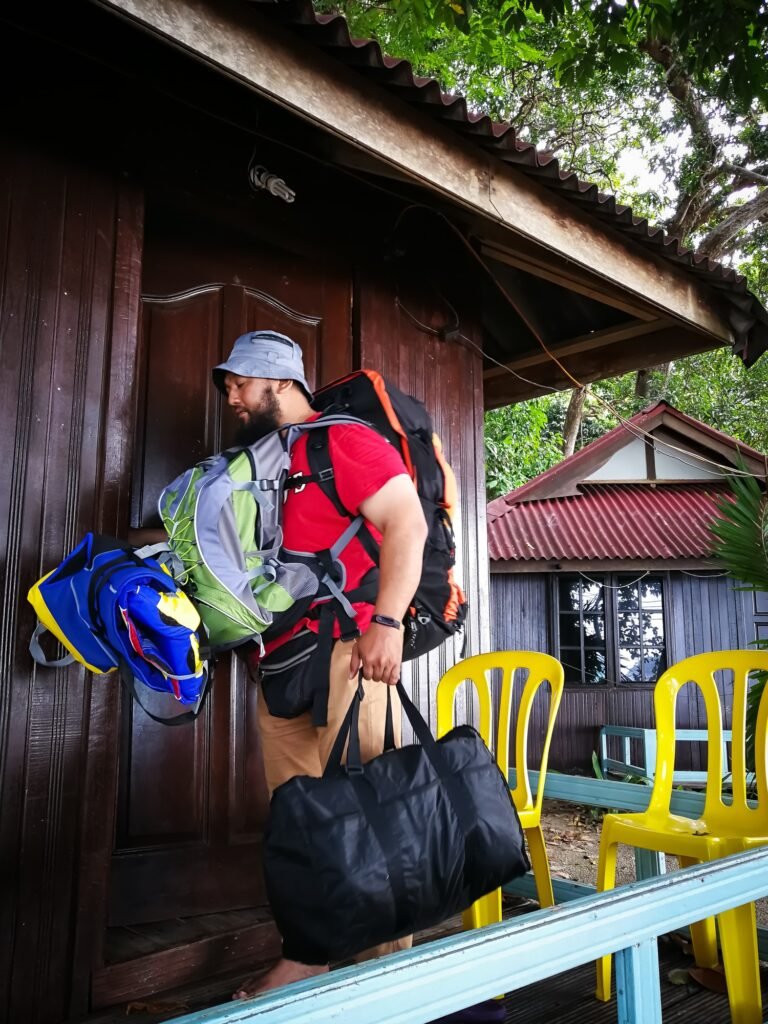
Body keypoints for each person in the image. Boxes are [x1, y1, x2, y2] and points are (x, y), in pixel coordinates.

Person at [210, 330, 429, 998]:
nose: (233, 398)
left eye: (240, 384)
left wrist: (387, 624)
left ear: (277, 381)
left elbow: (407, 525)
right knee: (302, 825)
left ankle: (386, 983)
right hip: (279, 666)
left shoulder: (344, 442)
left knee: (375, 817)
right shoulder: (260, 463)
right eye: (229, 387)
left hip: (351, 656)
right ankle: (309, 955)